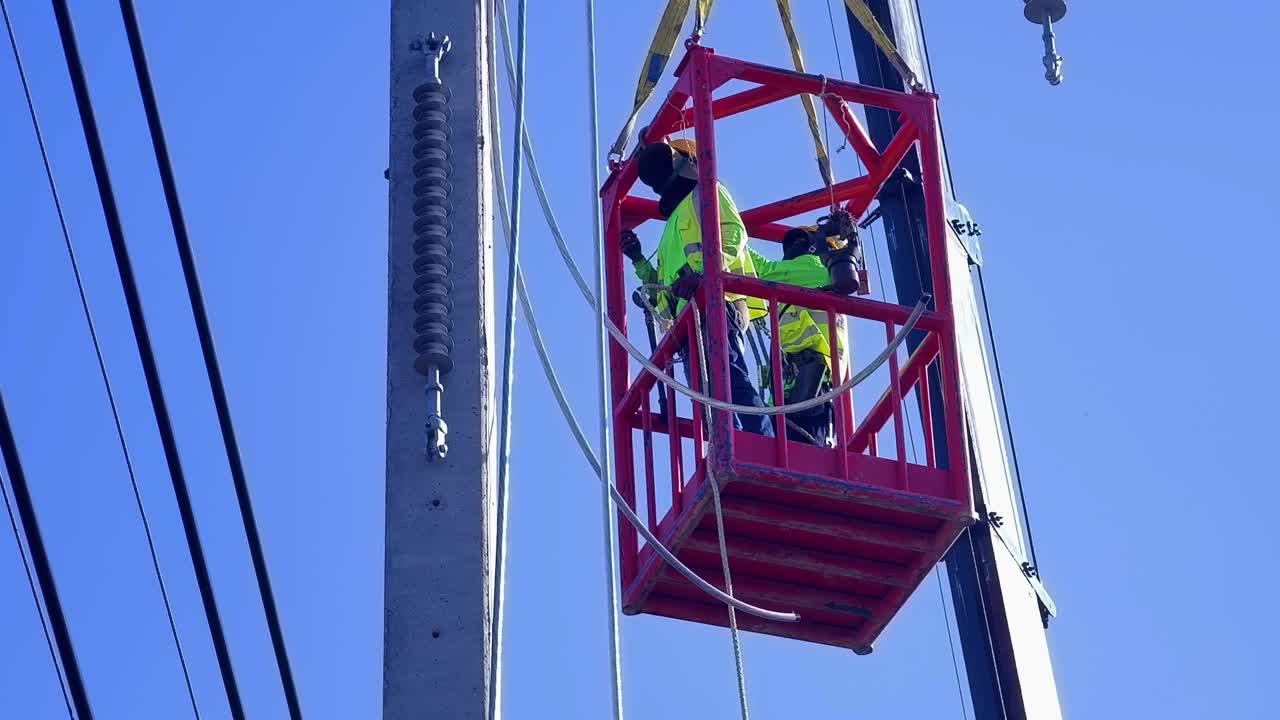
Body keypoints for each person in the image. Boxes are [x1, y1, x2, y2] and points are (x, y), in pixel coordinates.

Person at [619, 140, 773, 437]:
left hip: (718, 302)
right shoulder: (669, 232)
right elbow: (663, 292)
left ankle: (757, 443)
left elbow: (733, 234)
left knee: (727, 378)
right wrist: (638, 259)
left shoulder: (707, 192)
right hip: (689, 319)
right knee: (707, 389)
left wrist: (703, 274)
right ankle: (728, 440)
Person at [744, 227, 850, 446]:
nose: (793, 249)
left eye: (799, 242)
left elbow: (760, 270)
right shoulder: (816, 275)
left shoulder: (814, 265)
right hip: (804, 385)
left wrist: (722, 233)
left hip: (808, 383)